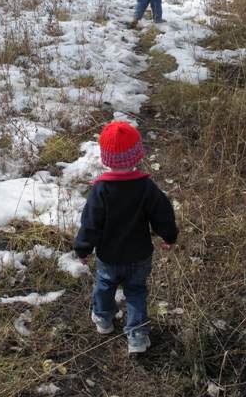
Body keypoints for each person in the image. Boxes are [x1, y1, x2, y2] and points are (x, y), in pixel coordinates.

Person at [73, 121, 179, 354]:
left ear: (106, 158)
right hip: (139, 255)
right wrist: (169, 235)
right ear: (137, 156)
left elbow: (90, 224)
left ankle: (103, 319)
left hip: (109, 255)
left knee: (104, 284)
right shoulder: (146, 187)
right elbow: (163, 213)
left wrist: (82, 249)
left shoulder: (100, 190)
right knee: (136, 291)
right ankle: (138, 336)